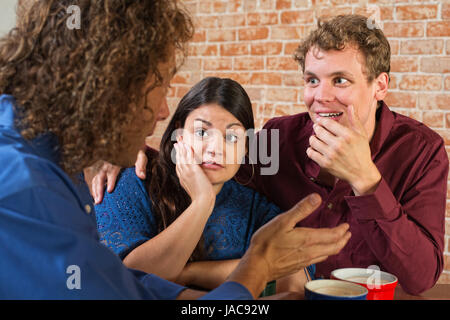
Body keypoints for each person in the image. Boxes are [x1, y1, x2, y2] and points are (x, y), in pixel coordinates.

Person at [0, 0, 351, 299]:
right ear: (108, 84)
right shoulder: (29, 189)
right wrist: (255, 265)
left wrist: (191, 285)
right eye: (159, 85)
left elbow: (119, 283)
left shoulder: (57, 167)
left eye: (233, 136)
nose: (163, 110)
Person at [95, 14, 448, 296]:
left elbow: (419, 280)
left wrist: (366, 180)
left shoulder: (422, 152)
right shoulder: (278, 139)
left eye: (340, 80)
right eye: (312, 80)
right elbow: (217, 163)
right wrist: (134, 152)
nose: (321, 96)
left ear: (380, 86)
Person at [94, 77, 315, 294]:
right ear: (179, 133)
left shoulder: (254, 207)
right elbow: (127, 277)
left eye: (232, 137)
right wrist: (202, 202)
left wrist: (189, 272)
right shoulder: (134, 181)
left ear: (247, 146)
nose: (215, 149)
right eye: (201, 133)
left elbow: (294, 281)